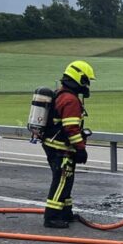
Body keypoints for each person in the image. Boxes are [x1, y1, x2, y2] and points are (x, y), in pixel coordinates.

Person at [40, 60, 96, 229]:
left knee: (66, 181)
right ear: (79, 78)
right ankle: (52, 217)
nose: (87, 85)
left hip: (54, 146)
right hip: (61, 149)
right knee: (61, 181)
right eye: (86, 81)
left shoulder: (61, 94)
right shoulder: (70, 100)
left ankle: (65, 212)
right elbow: (71, 128)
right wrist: (81, 149)